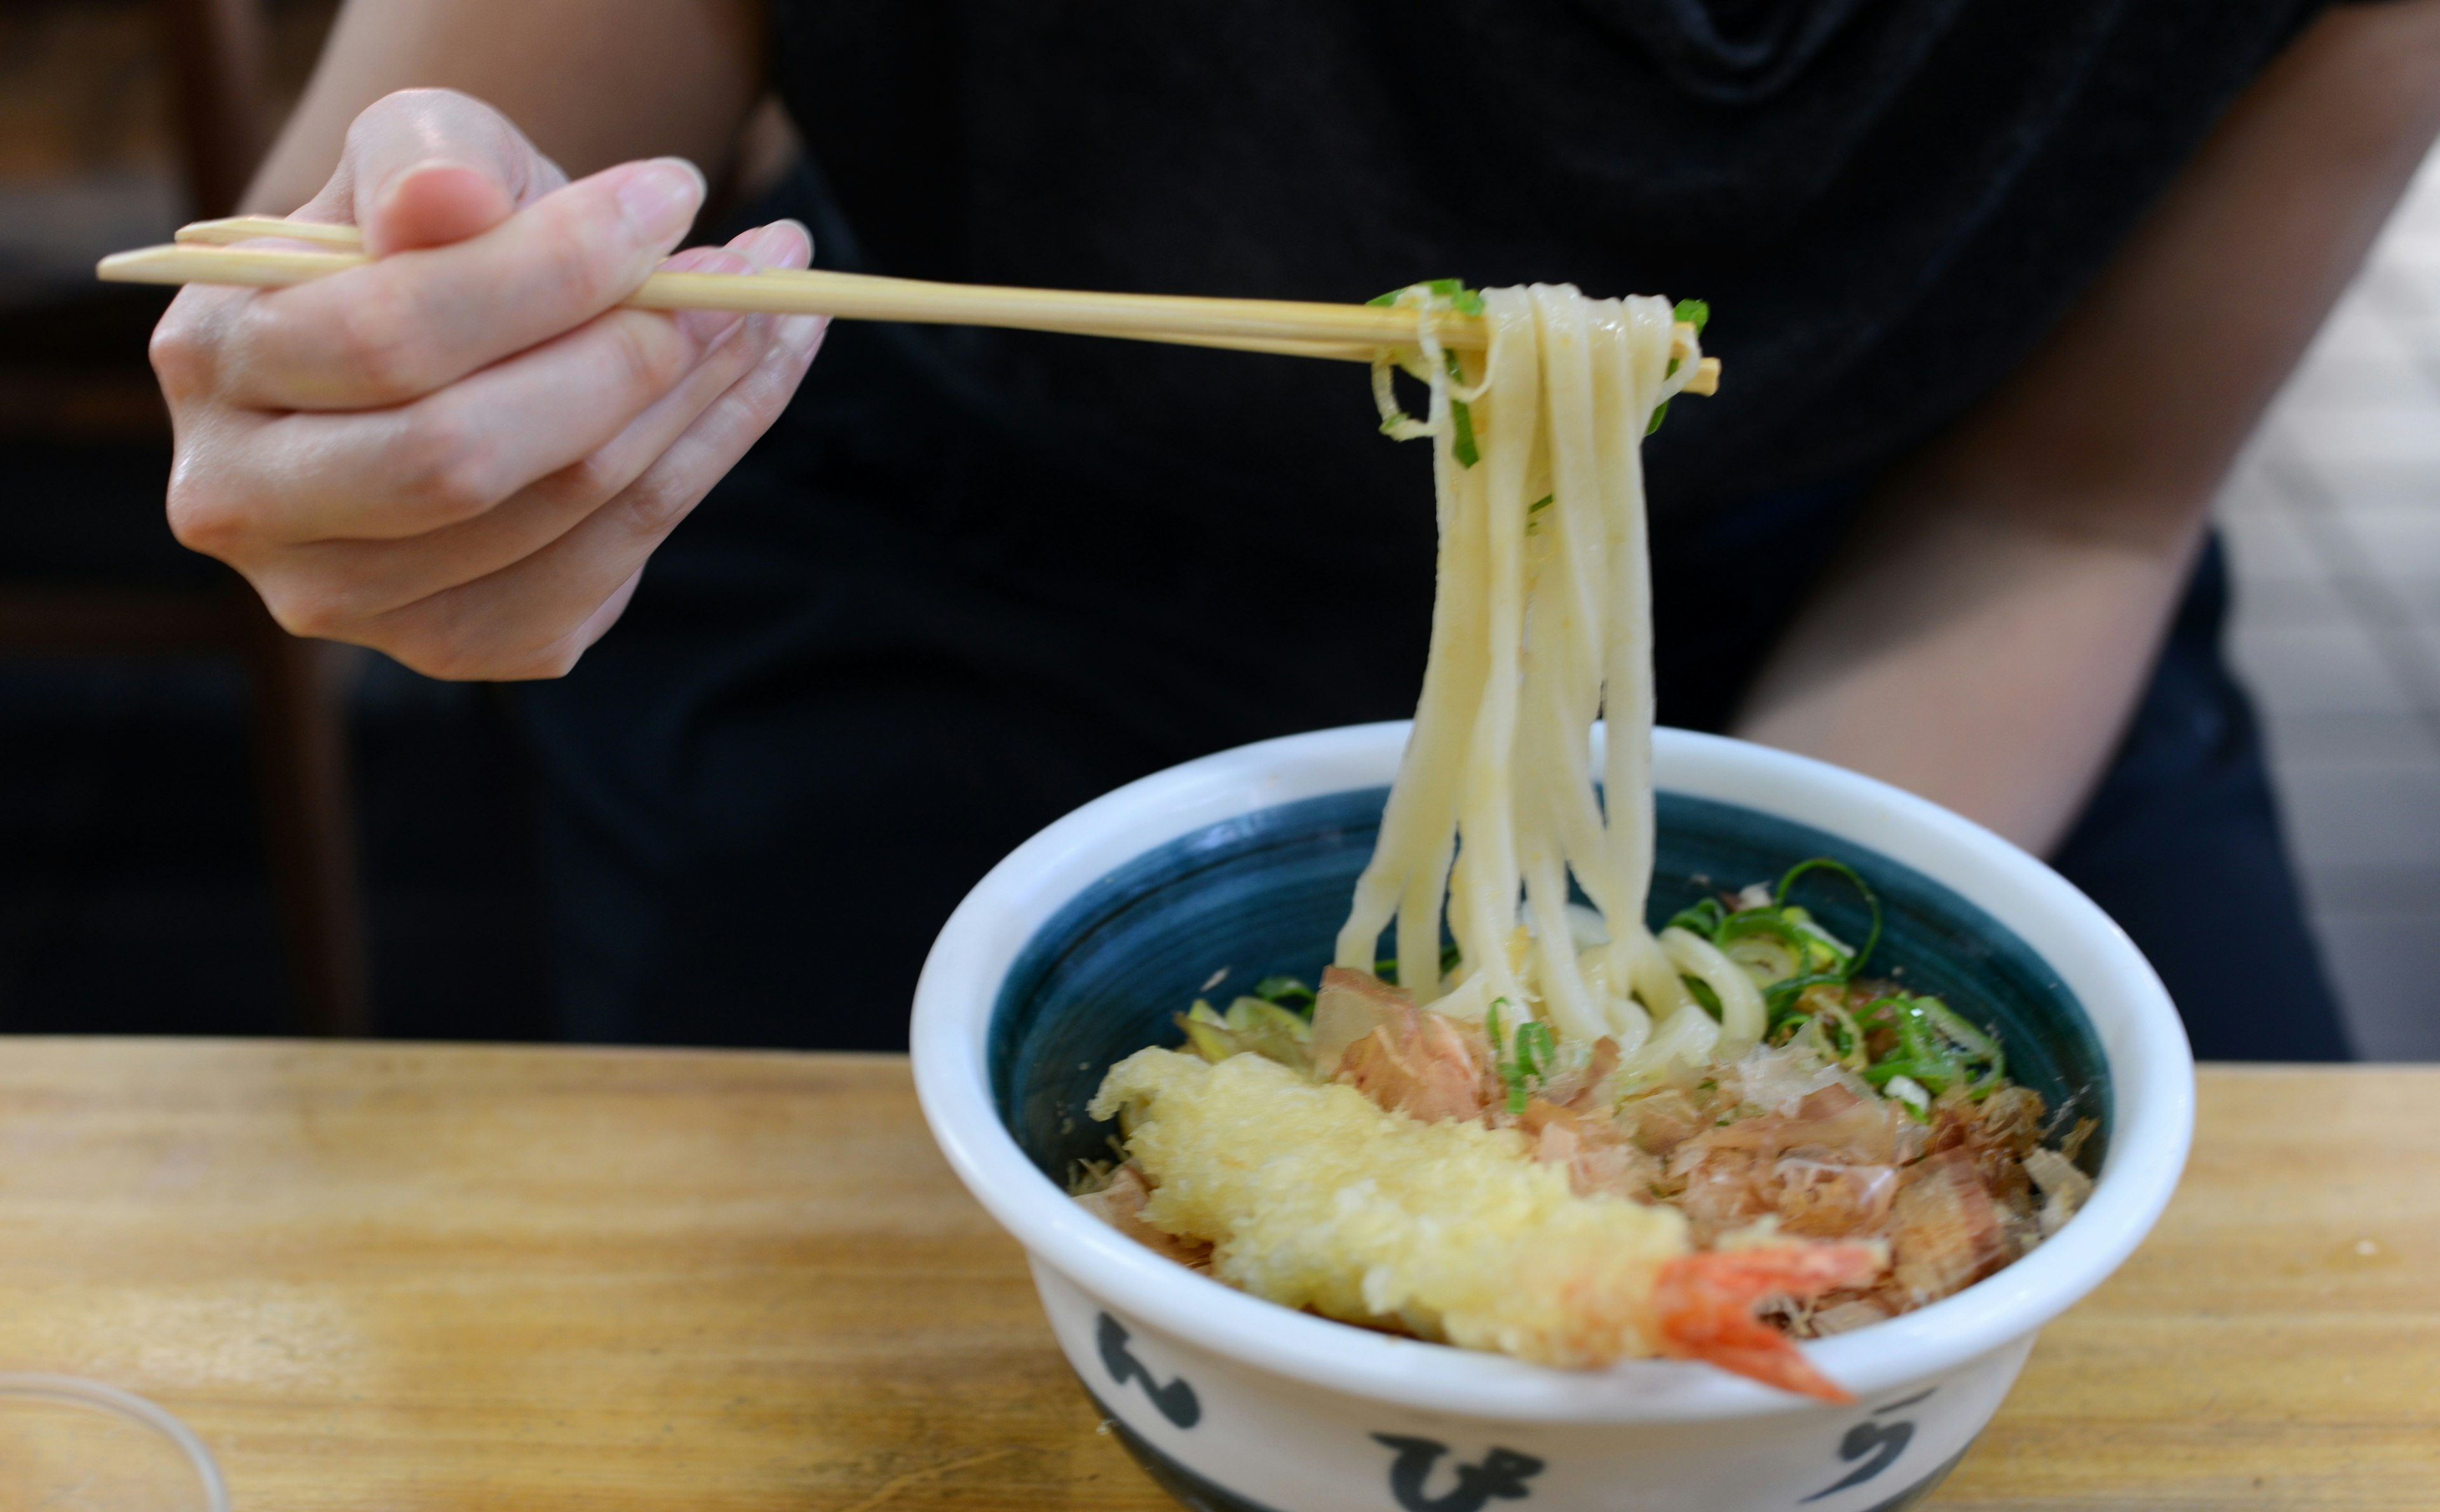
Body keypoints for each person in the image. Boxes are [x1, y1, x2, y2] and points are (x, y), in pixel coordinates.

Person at [151, 0, 2440, 1055]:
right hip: (958, 568)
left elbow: (2063, 507)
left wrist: (1658, 1058)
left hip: (1881, 619)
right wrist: (416, 368)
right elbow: (431, 174)